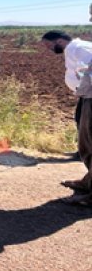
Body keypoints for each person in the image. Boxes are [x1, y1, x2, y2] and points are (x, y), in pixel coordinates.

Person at [41, 30, 92, 206]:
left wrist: (84, 85)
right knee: (86, 142)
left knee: (90, 142)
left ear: (60, 41)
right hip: (86, 97)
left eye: (49, 45)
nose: (48, 49)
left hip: (90, 96)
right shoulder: (74, 49)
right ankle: (88, 182)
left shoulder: (78, 48)